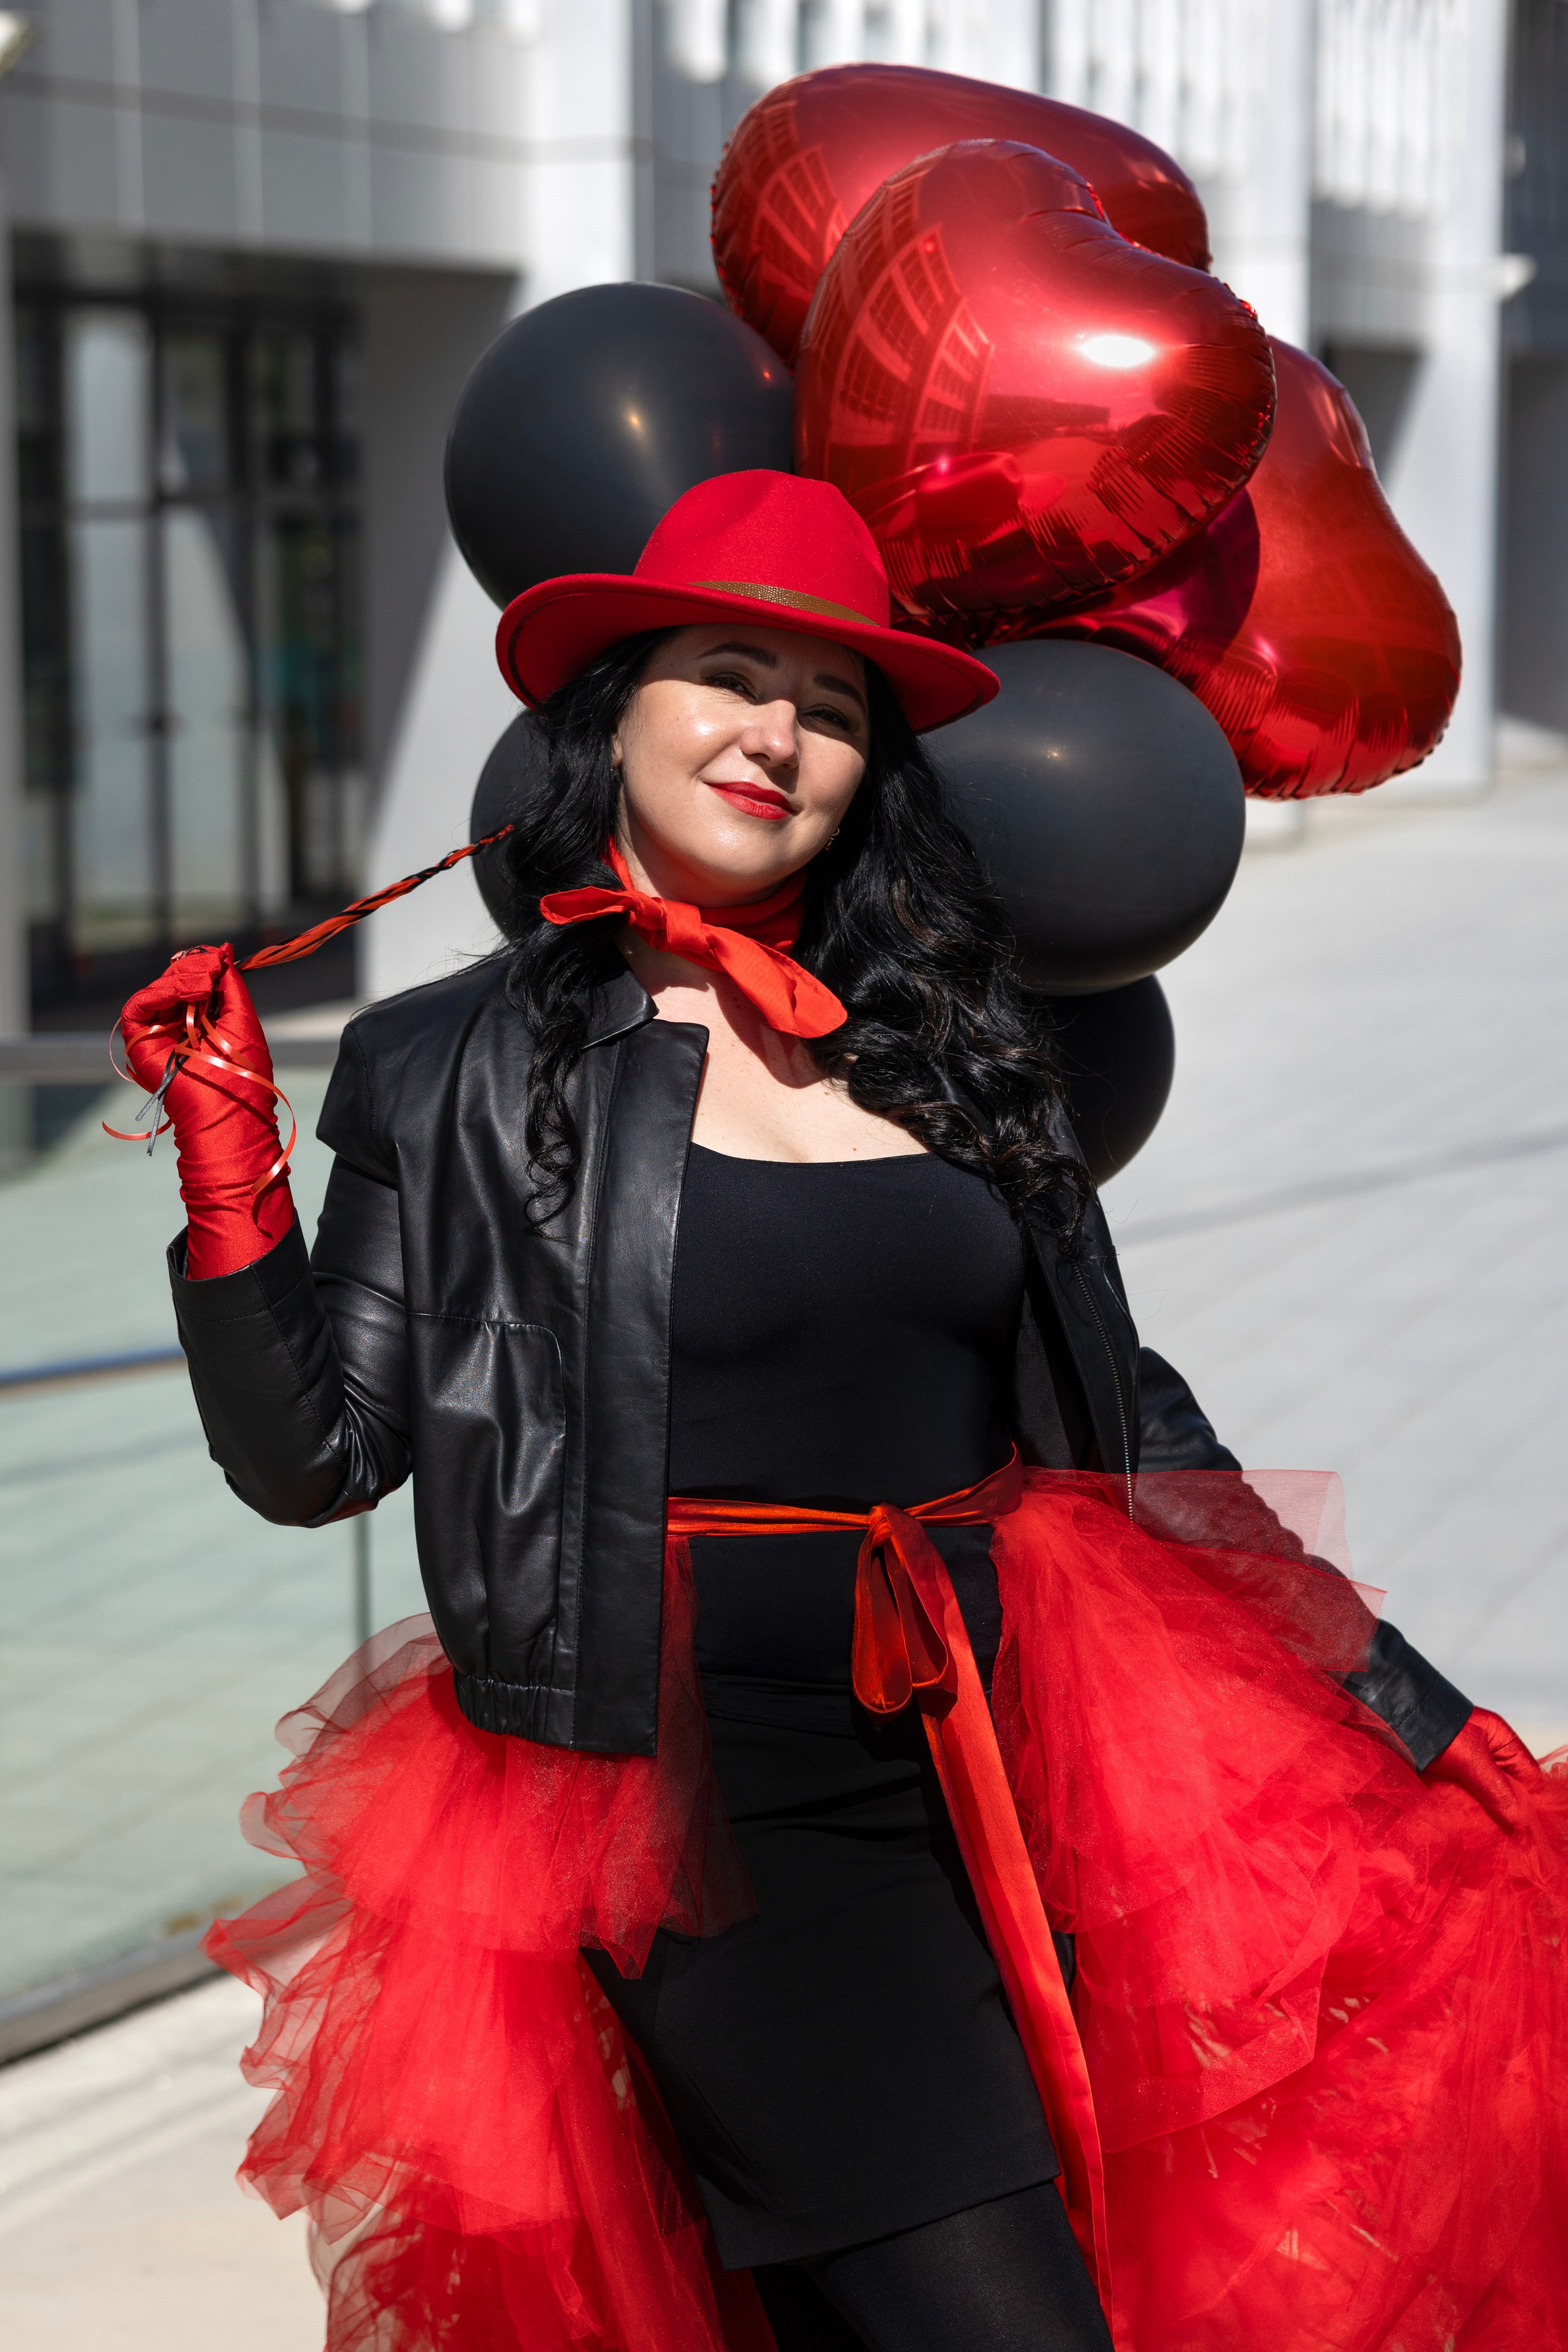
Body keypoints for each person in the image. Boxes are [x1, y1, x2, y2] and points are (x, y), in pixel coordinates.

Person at [119, 471, 1565, 2352]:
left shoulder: (955, 1034)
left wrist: (1401, 1700)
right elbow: (319, 1460)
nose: (776, 733)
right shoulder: (443, 1065)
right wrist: (230, 1173)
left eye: (832, 703)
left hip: (1022, 1769)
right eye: (730, 674)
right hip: (708, 1813)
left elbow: (1126, 1419)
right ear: (614, 710)